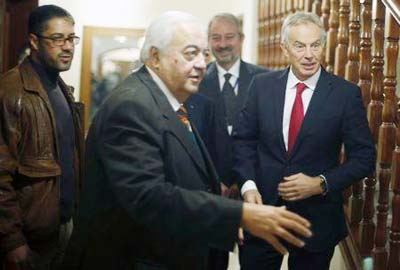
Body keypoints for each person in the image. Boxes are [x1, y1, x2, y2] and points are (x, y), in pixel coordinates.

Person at [62, 11, 312, 270]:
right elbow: (148, 196)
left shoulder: (170, 100)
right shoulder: (133, 105)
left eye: (204, 54)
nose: (202, 64)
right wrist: (238, 214)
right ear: (155, 57)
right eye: (190, 54)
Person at [233, 12, 376, 270]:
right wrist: (248, 186)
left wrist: (321, 183)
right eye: (299, 46)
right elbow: (243, 141)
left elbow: (365, 157)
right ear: (284, 47)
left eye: (315, 45)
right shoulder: (261, 87)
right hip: (263, 211)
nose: (309, 54)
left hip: (317, 221)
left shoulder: (345, 94)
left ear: (324, 46)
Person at [0, 5, 84, 270]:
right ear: (34, 41)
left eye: (71, 38)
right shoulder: (10, 91)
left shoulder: (61, 89)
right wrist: (12, 241)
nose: (68, 46)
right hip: (29, 239)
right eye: (58, 39)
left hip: (64, 226)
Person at [186, 13, 269, 269]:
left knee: (256, 261)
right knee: (213, 262)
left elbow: (267, 137)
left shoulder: (265, 81)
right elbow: (191, 137)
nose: (222, 44)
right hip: (210, 191)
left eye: (229, 37)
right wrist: (217, 179)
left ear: (241, 39)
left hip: (255, 190)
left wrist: (243, 180)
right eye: (216, 38)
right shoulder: (193, 81)